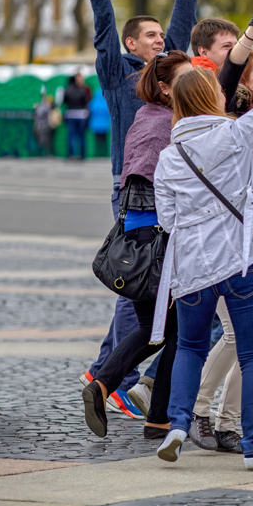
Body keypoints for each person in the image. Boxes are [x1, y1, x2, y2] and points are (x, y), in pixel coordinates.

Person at [63, 0, 207, 418]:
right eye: (149, 36)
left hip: (175, 196)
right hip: (136, 194)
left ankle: (108, 374)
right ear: (130, 46)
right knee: (142, 288)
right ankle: (116, 379)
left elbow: (183, 28)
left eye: (159, 37)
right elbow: (103, 24)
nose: (158, 41)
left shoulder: (174, 82)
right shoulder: (117, 75)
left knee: (147, 295)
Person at [151, 1, 253, 471]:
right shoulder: (236, 134)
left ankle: (177, 423)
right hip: (241, 262)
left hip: (192, 268)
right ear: (212, 98)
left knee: (191, 348)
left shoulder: (168, 158)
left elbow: (168, 220)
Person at [189, 0, 253, 455]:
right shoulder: (229, 115)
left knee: (244, 340)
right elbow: (228, 74)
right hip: (229, 242)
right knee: (236, 337)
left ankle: (226, 424)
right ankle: (198, 412)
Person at [81, 50, 193, 441]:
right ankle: (154, 414)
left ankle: (106, 386)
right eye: (184, 78)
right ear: (164, 87)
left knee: (156, 328)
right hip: (157, 241)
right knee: (174, 332)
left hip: (139, 236)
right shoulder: (168, 125)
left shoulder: (145, 117)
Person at [63, 71, 92, 160]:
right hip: (81, 114)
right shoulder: (84, 89)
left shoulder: (67, 89)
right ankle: (82, 155)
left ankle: (71, 154)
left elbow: (64, 101)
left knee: (72, 136)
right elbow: (88, 100)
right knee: (81, 136)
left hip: (71, 113)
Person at [89, 88, 111, 157]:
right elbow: (108, 114)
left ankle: (96, 154)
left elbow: (90, 112)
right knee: (105, 141)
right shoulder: (106, 103)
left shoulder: (93, 103)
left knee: (97, 141)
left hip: (95, 125)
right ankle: (105, 154)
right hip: (104, 125)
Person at [32, 90, 55, 157]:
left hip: (41, 125)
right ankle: (42, 153)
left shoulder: (39, 106)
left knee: (44, 140)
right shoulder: (45, 106)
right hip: (43, 125)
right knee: (43, 141)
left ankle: (42, 153)